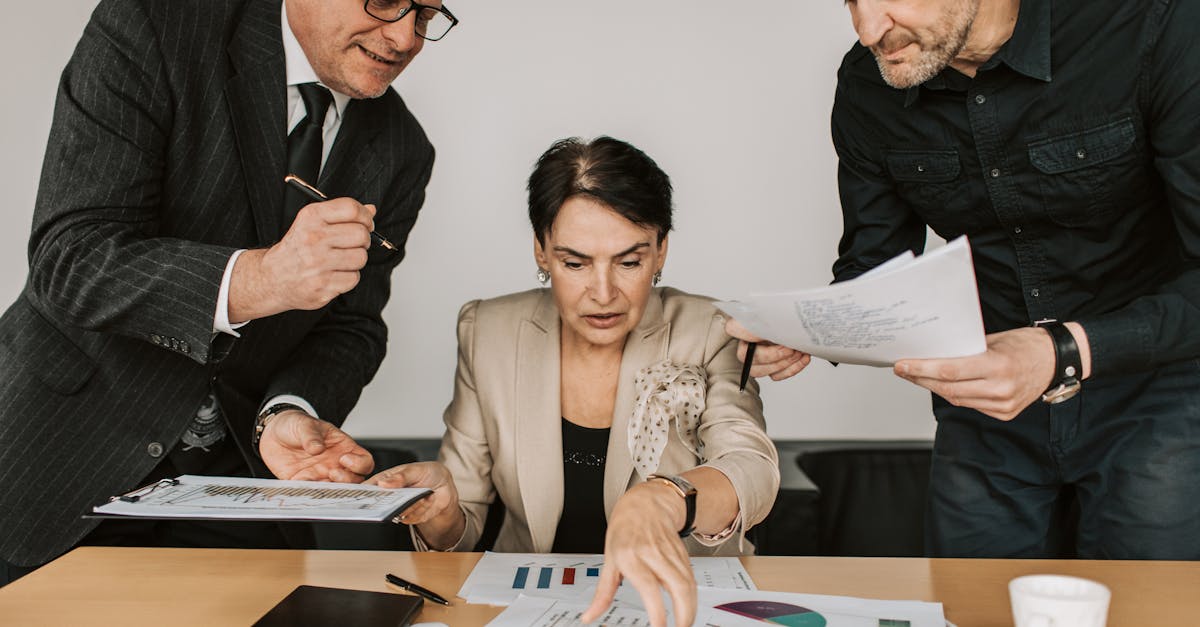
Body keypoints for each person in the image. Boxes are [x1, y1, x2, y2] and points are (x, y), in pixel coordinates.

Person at [0, 0, 457, 581]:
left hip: (238, 489)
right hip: (58, 464)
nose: (404, 37)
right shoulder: (150, 27)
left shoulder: (404, 148)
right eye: (387, 2)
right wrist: (260, 279)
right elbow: (71, 260)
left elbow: (353, 325)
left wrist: (288, 411)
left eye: (425, 14)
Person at [729, 0, 1200, 560]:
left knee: (1147, 612)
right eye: (852, 0)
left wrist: (1062, 352)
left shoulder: (1153, 29)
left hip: (1155, 397)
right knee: (973, 612)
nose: (867, 29)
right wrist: (806, 328)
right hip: (984, 416)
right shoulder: (866, 84)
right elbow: (875, 266)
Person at [368, 136, 780, 627]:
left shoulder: (713, 329)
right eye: (575, 263)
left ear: (661, 250)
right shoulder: (488, 331)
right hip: (525, 610)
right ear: (541, 250)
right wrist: (441, 507)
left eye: (629, 262)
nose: (603, 293)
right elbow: (464, 525)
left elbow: (752, 467)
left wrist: (667, 498)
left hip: (681, 607)